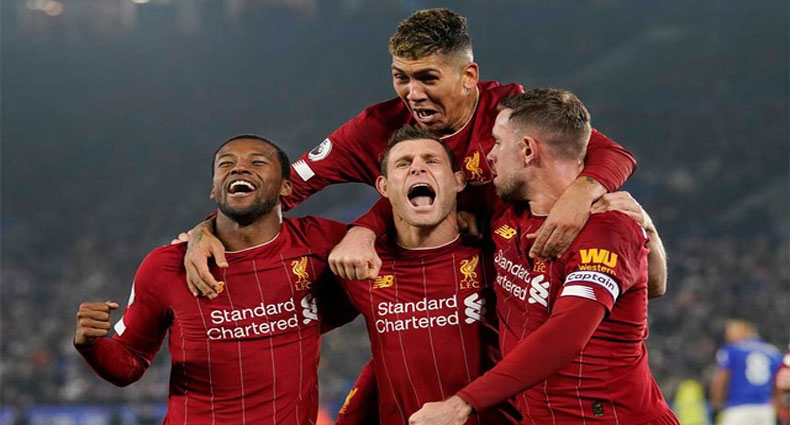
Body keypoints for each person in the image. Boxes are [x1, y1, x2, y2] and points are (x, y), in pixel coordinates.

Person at [183, 8, 636, 297]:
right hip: (428, 292)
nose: (412, 93)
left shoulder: (509, 112)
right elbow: (284, 188)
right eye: (401, 77)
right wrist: (207, 229)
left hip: (519, 282)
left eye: (427, 78)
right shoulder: (374, 129)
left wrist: (582, 193)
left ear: (468, 76)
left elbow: (612, 153)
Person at [409, 89, 677, 425]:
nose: (489, 155)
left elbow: (567, 333)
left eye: (497, 142)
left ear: (527, 150)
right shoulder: (508, 209)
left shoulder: (606, 227)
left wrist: (462, 404)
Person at [74, 135, 356, 424]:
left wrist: (363, 233)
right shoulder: (165, 265)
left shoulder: (320, 243)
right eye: (226, 164)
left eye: (257, 162)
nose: (239, 168)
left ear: (286, 186)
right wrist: (90, 344)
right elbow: (127, 365)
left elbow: (383, 245)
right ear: (213, 188)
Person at [334, 126, 518, 425]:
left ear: (459, 182)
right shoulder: (358, 262)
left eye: (431, 161)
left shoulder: (500, 257)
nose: (417, 168)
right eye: (403, 163)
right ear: (383, 186)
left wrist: (592, 191)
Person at [710, 319, 782, 425]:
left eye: (731, 331)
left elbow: (721, 379)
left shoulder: (731, 350)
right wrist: (778, 407)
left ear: (744, 331)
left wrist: (716, 406)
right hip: (765, 409)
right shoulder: (773, 352)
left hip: (738, 408)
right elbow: (779, 383)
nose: (727, 336)